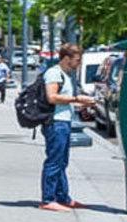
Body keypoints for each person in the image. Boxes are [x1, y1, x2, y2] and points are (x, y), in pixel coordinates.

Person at [40, 43, 96, 212]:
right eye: (77, 60)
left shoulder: (65, 75)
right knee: (54, 161)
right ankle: (48, 199)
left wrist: (80, 104)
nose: (79, 64)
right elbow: (52, 97)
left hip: (63, 122)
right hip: (56, 123)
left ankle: (62, 197)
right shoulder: (54, 73)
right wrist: (77, 99)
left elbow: (62, 100)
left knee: (62, 162)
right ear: (66, 58)